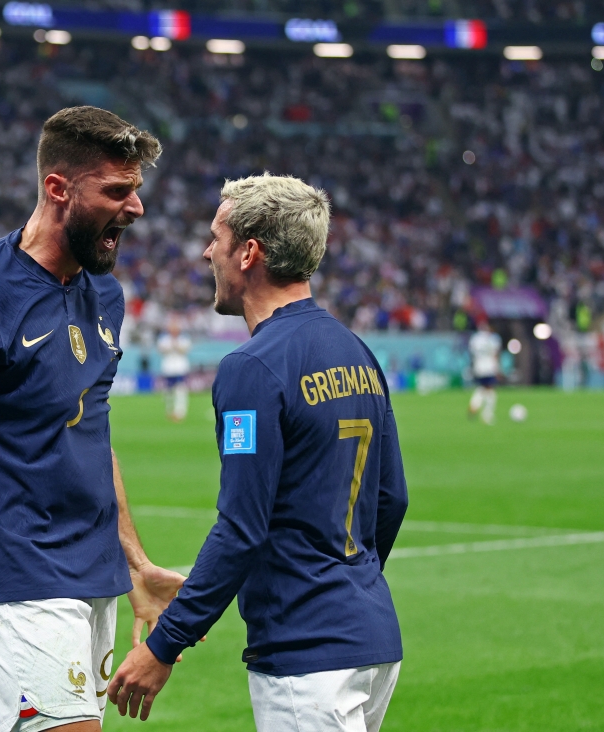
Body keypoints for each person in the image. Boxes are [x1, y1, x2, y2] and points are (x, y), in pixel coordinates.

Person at [0, 106, 186, 732]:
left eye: (137, 190)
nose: (135, 209)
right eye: (117, 191)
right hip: (20, 574)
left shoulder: (106, 294)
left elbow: (92, 435)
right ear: (57, 188)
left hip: (95, 573)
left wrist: (135, 564)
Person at [109, 174, 409, 731]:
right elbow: (392, 499)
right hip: (371, 637)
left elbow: (241, 528)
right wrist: (350, 587)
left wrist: (164, 645)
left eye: (216, 237)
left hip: (305, 653)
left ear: (248, 253)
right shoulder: (357, 351)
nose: (205, 252)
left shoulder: (252, 367)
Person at [156, 317, 191, 422]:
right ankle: (170, 411)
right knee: (168, 391)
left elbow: (184, 350)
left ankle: (180, 411)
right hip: (168, 368)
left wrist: (175, 345)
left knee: (180, 390)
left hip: (180, 367)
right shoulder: (164, 339)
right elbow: (162, 350)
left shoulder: (184, 339)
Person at [468, 320, 501, 424]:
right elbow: (495, 355)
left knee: (482, 388)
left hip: (479, 367)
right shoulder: (493, 339)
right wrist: (497, 369)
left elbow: (472, 353)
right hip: (489, 367)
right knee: (490, 391)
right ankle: (487, 414)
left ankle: (474, 405)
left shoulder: (475, 339)